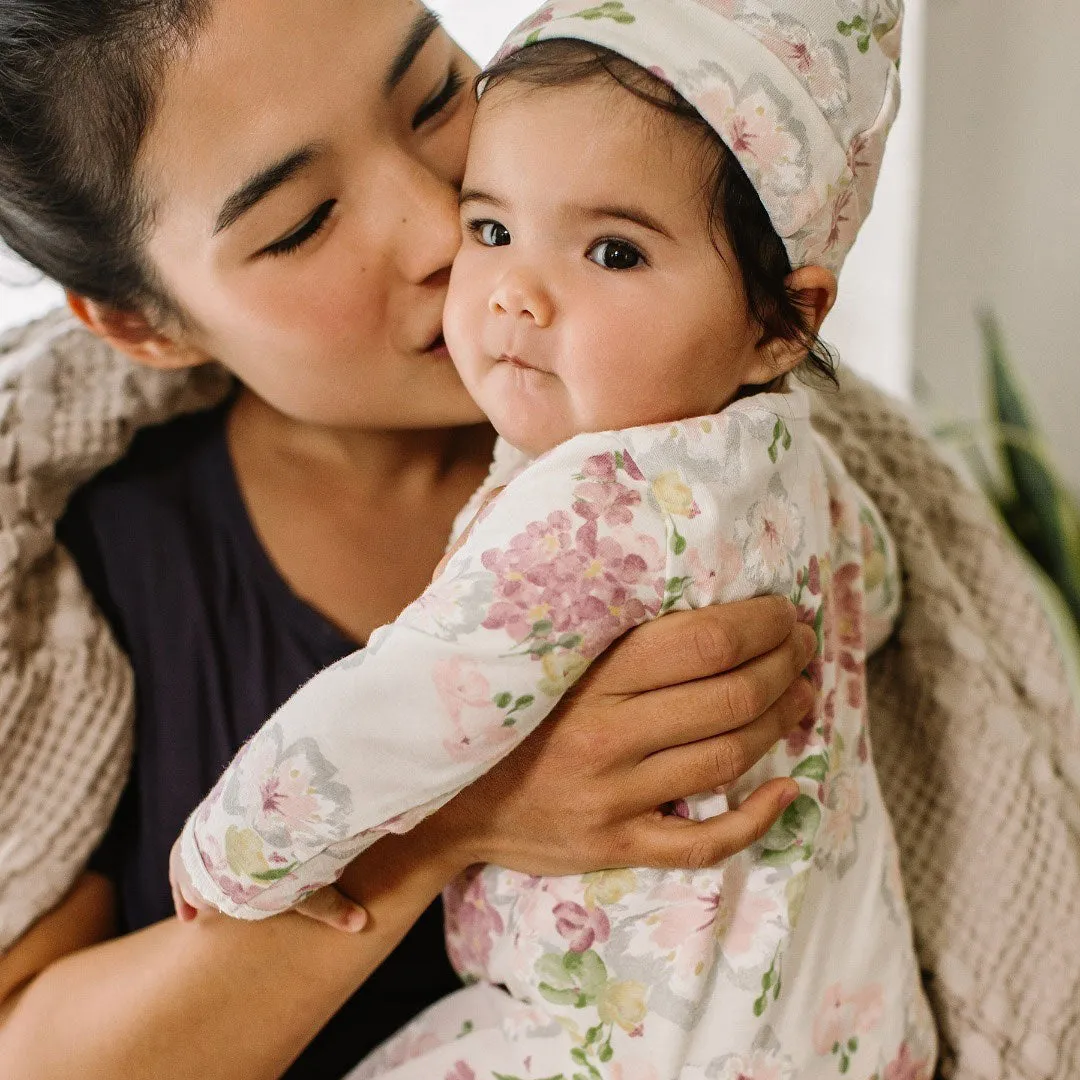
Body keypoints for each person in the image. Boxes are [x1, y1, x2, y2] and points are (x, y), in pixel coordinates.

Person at [0, 3, 817, 1077]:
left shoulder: (728, 429)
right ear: (146, 324)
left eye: (436, 94)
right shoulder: (75, 560)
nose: (444, 226)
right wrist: (446, 819)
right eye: (301, 221)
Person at [169, 2, 935, 1077]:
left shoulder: (601, 509)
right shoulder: (794, 456)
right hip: (852, 1018)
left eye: (613, 251)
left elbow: (405, 709)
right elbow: (879, 593)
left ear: (783, 322)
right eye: (491, 229)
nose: (514, 293)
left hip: (621, 1047)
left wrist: (233, 852)